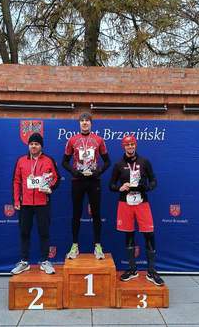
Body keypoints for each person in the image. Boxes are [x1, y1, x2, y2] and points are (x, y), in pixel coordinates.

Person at [109, 135, 164, 286]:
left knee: (149, 234)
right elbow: (111, 185)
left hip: (142, 202)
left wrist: (146, 187)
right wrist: (119, 188)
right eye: (127, 145)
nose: (130, 147)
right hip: (125, 203)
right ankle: (132, 269)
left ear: (136, 145)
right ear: (123, 146)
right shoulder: (119, 165)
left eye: (132, 144)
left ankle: (151, 271)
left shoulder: (144, 162)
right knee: (129, 234)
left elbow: (154, 181)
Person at [62, 112, 111, 259]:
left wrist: (98, 172)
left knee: (96, 214)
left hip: (93, 181)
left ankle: (97, 246)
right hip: (78, 181)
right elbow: (64, 162)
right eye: (82, 121)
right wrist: (74, 172)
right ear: (79, 124)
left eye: (87, 121)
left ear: (91, 123)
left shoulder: (99, 140)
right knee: (76, 214)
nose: (84, 123)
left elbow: (107, 162)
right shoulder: (72, 140)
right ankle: (75, 246)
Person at [11, 132, 60, 274]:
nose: (34, 146)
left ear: (41, 146)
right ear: (28, 146)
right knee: (24, 232)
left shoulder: (48, 160)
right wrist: (16, 200)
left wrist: (50, 187)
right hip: (25, 203)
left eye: (36, 144)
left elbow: (56, 178)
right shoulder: (21, 161)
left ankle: (44, 261)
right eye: (31, 144)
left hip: (42, 202)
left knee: (43, 232)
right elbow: (16, 181)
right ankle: (24, 261)